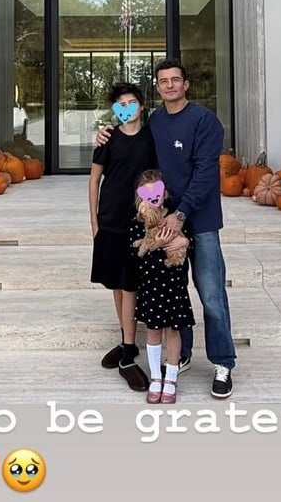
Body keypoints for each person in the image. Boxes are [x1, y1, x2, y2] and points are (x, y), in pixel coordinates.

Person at [96, 57, 237, 398]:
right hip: (161, 222)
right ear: (158, 88)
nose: (170, 85)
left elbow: (205, 174)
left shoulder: (204, 122)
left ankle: (222, 363)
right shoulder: (156, 120)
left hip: (197, 222)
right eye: (164, 81)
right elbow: (129, 132)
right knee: (173, 292)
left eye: (176, 79)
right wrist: (105, 131)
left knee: (211, 293)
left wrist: (182, 214)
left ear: (186, 85)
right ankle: (182, 353)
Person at [89, 82, 157, 392]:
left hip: (139, 221)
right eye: (120, 104)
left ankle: (129, 349)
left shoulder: (151, 137)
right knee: (117, 284)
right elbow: (94, 181)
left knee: (131, 284)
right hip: (110, 221)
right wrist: (94, 224)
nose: (126, 109)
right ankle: (126, 340)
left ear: (141, 106)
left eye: (132, 103)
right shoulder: (108, 138)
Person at [129, 169, 193, 404]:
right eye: (148, 195)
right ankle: (156, 377)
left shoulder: (176, 217)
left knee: (173, 331)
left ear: (165, 194)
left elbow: (190, 242)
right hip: (152, 287)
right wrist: (157, 243)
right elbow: (135, 252)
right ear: (141, 199)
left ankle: (171, 377)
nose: (154, 198)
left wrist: (183, 240)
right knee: (154, 331)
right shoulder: (138, 222)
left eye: (157, 192)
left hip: (174, 285)